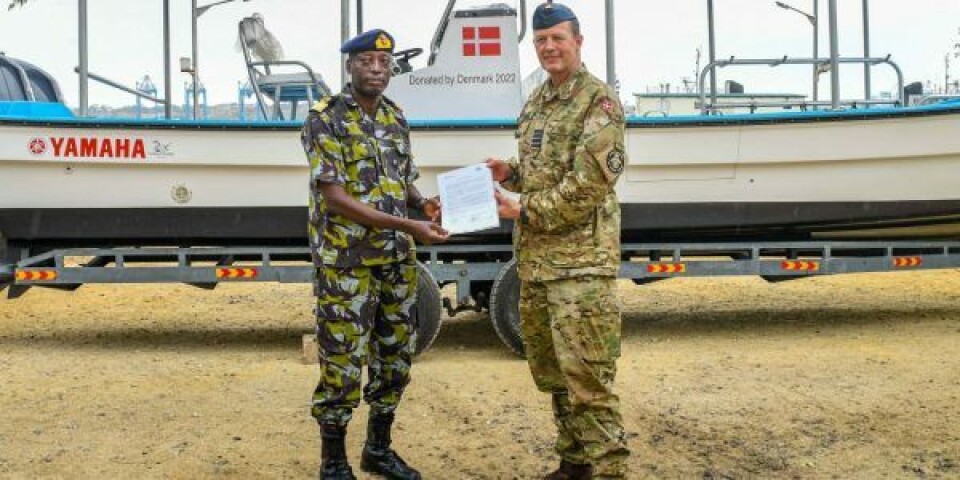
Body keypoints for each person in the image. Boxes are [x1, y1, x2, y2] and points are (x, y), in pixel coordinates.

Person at [486, 3, 630, 479]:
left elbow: (589, 184)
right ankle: (574, 465)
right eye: (541, 40)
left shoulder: (598, 101)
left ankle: (609, 470)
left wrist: (521, 208)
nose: (549, 47)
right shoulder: (538, 102)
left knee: (589, 382)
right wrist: (512, 173)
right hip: (539, 266)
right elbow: (546, 172)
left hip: (582, 270)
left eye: (558, 38)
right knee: (554, 378)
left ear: (578, 42)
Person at [299, 28, 448, 480]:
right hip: (347, 263)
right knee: (342, 364)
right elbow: (335, 197)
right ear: (350, 66)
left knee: (395, 359)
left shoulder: (395, 117)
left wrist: (421, 204)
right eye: (367, 61)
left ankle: (378, 450)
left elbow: (399, 182)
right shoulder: (324, 118)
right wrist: (410, 224)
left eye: (384, 63)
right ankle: (334, 462)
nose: (377, 70)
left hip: (395, 262)